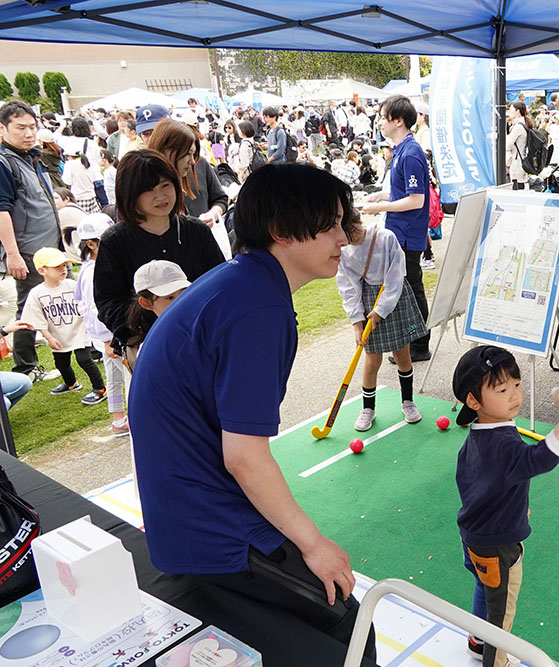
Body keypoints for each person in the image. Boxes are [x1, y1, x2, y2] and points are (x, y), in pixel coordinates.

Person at [128, 162, 376, 660]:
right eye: (327, 224)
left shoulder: (240, 283)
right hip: (207, 526)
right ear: (282, 232)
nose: (341, 239)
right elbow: (244, 456)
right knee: (349, 622)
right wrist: (314, 543)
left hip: (182, 511)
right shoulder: (258, 307)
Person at [453, 345, 559, 667]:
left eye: (517, 385)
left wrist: (515, 507)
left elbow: (480, 484)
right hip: (498, 547)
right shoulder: (504, 443)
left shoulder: (478, 436)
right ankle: (495, 660)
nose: (514, 395)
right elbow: (539, 459)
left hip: (473, 536)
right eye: (502, 389)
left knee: (484, 587)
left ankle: (477, 640)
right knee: (502, 618)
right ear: (473, 401)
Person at [94, 150, 225, 355]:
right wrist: (138, 334)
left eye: (165, 185)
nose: (161, 196)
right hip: (147, 345)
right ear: (130, 193)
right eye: (149, 189)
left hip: (202, 339)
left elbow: (219, 283)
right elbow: (108, 301)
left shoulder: (196, 231)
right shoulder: (115, 241)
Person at [336, 209, 428, 431]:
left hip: (392, 297)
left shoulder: (386, 237)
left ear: (360, 220)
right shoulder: (345, 250)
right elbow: (349, 287)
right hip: (368, 299)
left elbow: (395, 277)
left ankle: (408, 402)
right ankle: (368, 408)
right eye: (347, 235)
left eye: (353, 231)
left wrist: (380, 311)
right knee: (371, 360)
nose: (352, 238)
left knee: (402, 354)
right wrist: (357, 322)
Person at [359, 95, 432, 362]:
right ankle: (412, 342)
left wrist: (379, 208)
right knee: (404, 287)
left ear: (398, 120)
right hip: (400, 231)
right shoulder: (401, 149)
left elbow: (417, 200)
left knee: (411, 287)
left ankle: (420, 344)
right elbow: (402, 191)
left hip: (408, 234)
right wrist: (379, 197)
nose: (379, 121)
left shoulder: (410, 152)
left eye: (383, 116)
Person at [0, 101, 63, 382]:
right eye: (21, 127)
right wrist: (12, 254)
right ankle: (25, 366)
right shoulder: (4, 162)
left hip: (50, 244)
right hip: (27, 249)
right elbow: (2, 210)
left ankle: (77, 348)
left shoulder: (31, 157)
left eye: (32, 127)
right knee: (30, 306)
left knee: (58, 298)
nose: (29, 133)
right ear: (3, 129)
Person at [21, 247, 106, 403]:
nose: (63, 269)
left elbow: (88, 302)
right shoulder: (36, 293)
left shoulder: (72, 285)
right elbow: (37, 318)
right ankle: (71, 383)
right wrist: (49, 338)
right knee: (61, 362)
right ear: (42, 271)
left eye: (64, 265)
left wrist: (85, 314)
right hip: (57, 334)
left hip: (80, 331)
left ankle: (100, 388)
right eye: (57, 266)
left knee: (84, 360)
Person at [75, 213, 128, 435]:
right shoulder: (94, 271)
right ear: (91, 244)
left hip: (105, 337)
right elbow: (93, 307)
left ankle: (118, 420)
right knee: (130, 376)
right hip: (108, 337)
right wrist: (108, 340)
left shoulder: (89, 267)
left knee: (114, 378)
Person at [146, 119, 228, 224]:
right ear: (165, 149)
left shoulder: (200, 164)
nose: (192, 161)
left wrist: (212, 214)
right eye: (187, 153)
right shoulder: (143, 182)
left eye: (193, 153)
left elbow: (221, 199)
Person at [504, 101, 531, 190]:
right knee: (521, 186)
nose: (509, 112)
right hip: (523, 159)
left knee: (517, 189)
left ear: (517, 111)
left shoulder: (518, 127)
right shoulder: (524, 123)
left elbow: (507, 146)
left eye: (511, 109)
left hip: (517, 161)